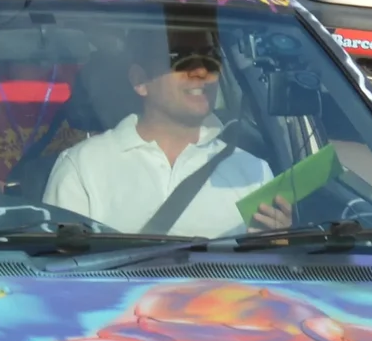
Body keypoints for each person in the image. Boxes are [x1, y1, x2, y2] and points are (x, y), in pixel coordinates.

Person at [44, 33, 291, 236]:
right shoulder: (82, 167)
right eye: (182, 59)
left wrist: (277, 242)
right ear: (140, 81)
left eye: (211, 58)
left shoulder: (252, 173)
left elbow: (270, 281)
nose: (201, 72)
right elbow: (57, 277)